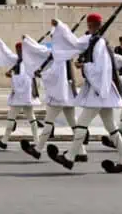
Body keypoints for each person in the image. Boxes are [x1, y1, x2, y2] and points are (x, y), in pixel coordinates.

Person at [45, 14, 122, 173]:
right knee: (111, 127)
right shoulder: (92, 41)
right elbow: (74, 42)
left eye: (89, 25)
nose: (88, 27)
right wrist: (60, 26)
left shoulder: (99, 44)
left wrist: (84, 66)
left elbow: (101, 69)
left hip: (98, 91)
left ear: (93, 25)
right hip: (100, 91)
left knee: (82, 124)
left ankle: (70, 157)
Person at [18, 19, 86, 163]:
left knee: (49, 122)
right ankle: (81, 152)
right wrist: (28, 40)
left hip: (61, 93)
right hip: (67, 92)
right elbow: (40, 50)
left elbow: (55, 74)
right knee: (73, 123)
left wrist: (41, 74)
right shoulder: (61, 52)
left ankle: (37, 149)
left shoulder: (60, 55)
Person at [0, 38, 41, 150]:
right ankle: (36, 141)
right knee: (28, 118)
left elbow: (26, 78)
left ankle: (5, 141)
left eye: (20, 50)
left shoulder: (29, 62)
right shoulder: (17, 61)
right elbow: (7, 53)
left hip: (22, 95)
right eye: (17, 50)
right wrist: (0, 42)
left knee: (21, 118)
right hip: (22, 95)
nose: (18, 52)